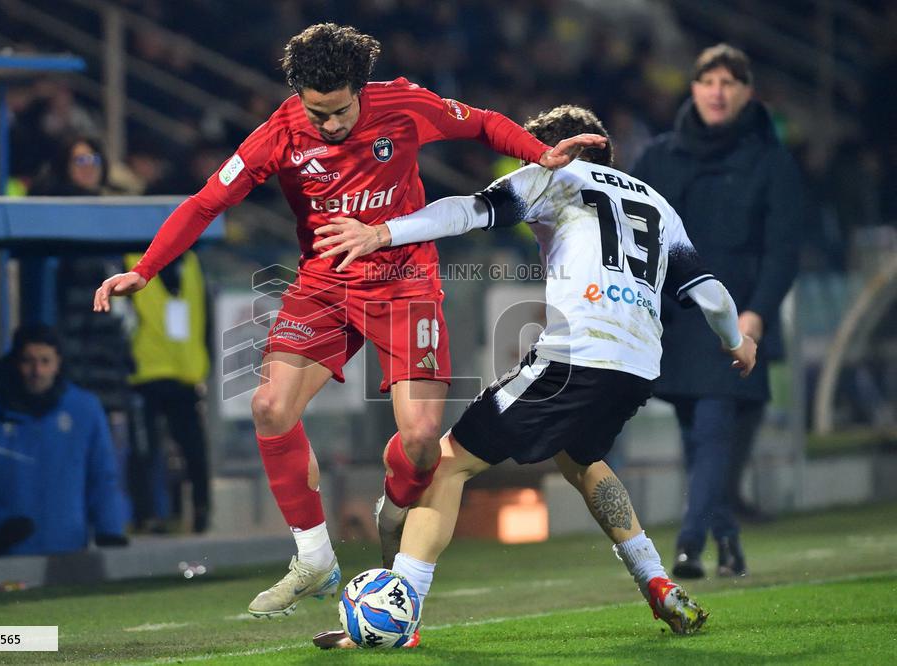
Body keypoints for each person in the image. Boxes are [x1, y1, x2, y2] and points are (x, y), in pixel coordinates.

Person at [92, 23, 603, 619]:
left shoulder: (404, 104)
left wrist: (538, 153)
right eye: (317, 113)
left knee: (419, 443)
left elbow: (483, 122)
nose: (329, 125)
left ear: (362, 89)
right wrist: (146, 269)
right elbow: (208, 201)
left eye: (339, 112)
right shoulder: (279, 133)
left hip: (405, 281)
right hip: (325, 285)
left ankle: (393, 505)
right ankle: (313, 557)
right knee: (268, 406)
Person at [310, 104, 756, 648]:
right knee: (582, 459)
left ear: (556, 145)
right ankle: (656, 580)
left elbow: (466, 212)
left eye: (527, 147)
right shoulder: (657, 204)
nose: (524, 156)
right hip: (637, 368)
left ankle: (398, 616)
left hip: (575, 355)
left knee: (447, 464)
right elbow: (709, 293)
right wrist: (739, 342)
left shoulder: (555, 171)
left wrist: (383, 232)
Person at [630, 44, 801, 578]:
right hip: (677, 323)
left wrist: (756, 314)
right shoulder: (658, 157)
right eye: (708, 81)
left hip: (737, 323)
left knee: (710, 430)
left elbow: (783, 250)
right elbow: (635, 234)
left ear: (747, 92)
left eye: (729, 82)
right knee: (701, 437)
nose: (718, 91)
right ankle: (727, 539)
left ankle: (688, 546)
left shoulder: (770, 160)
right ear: (694, 89)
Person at [0, 325, 128, 556]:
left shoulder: (85, 410)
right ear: (15, 362)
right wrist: (1, 523)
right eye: (28, 361)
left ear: (58, 363)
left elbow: (102, 478)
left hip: (68, 554)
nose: (37, 371)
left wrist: (110, 529)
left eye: (45, 361)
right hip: (4, 554)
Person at [124, 249, 212, 534]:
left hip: (185, 374)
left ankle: (200, 512)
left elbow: (204, 316)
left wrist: (203, 362)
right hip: (145, 374)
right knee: (144, 450)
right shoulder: (129, 262)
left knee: (194, 449)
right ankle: (147, 515)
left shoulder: (190, 262)